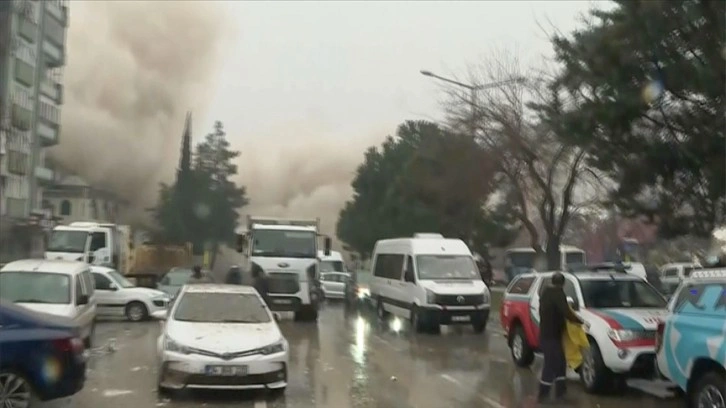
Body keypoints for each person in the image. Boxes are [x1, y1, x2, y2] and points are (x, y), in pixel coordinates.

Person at [538, 272, 583, 404]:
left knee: (560, 363)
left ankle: (560, 392)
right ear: (562, 283)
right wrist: (579, 321)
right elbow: (566, 312)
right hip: (551, 336)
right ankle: (543, 394)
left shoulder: (545, 294)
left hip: (548, 335)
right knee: (551, 364)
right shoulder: (557, 294)